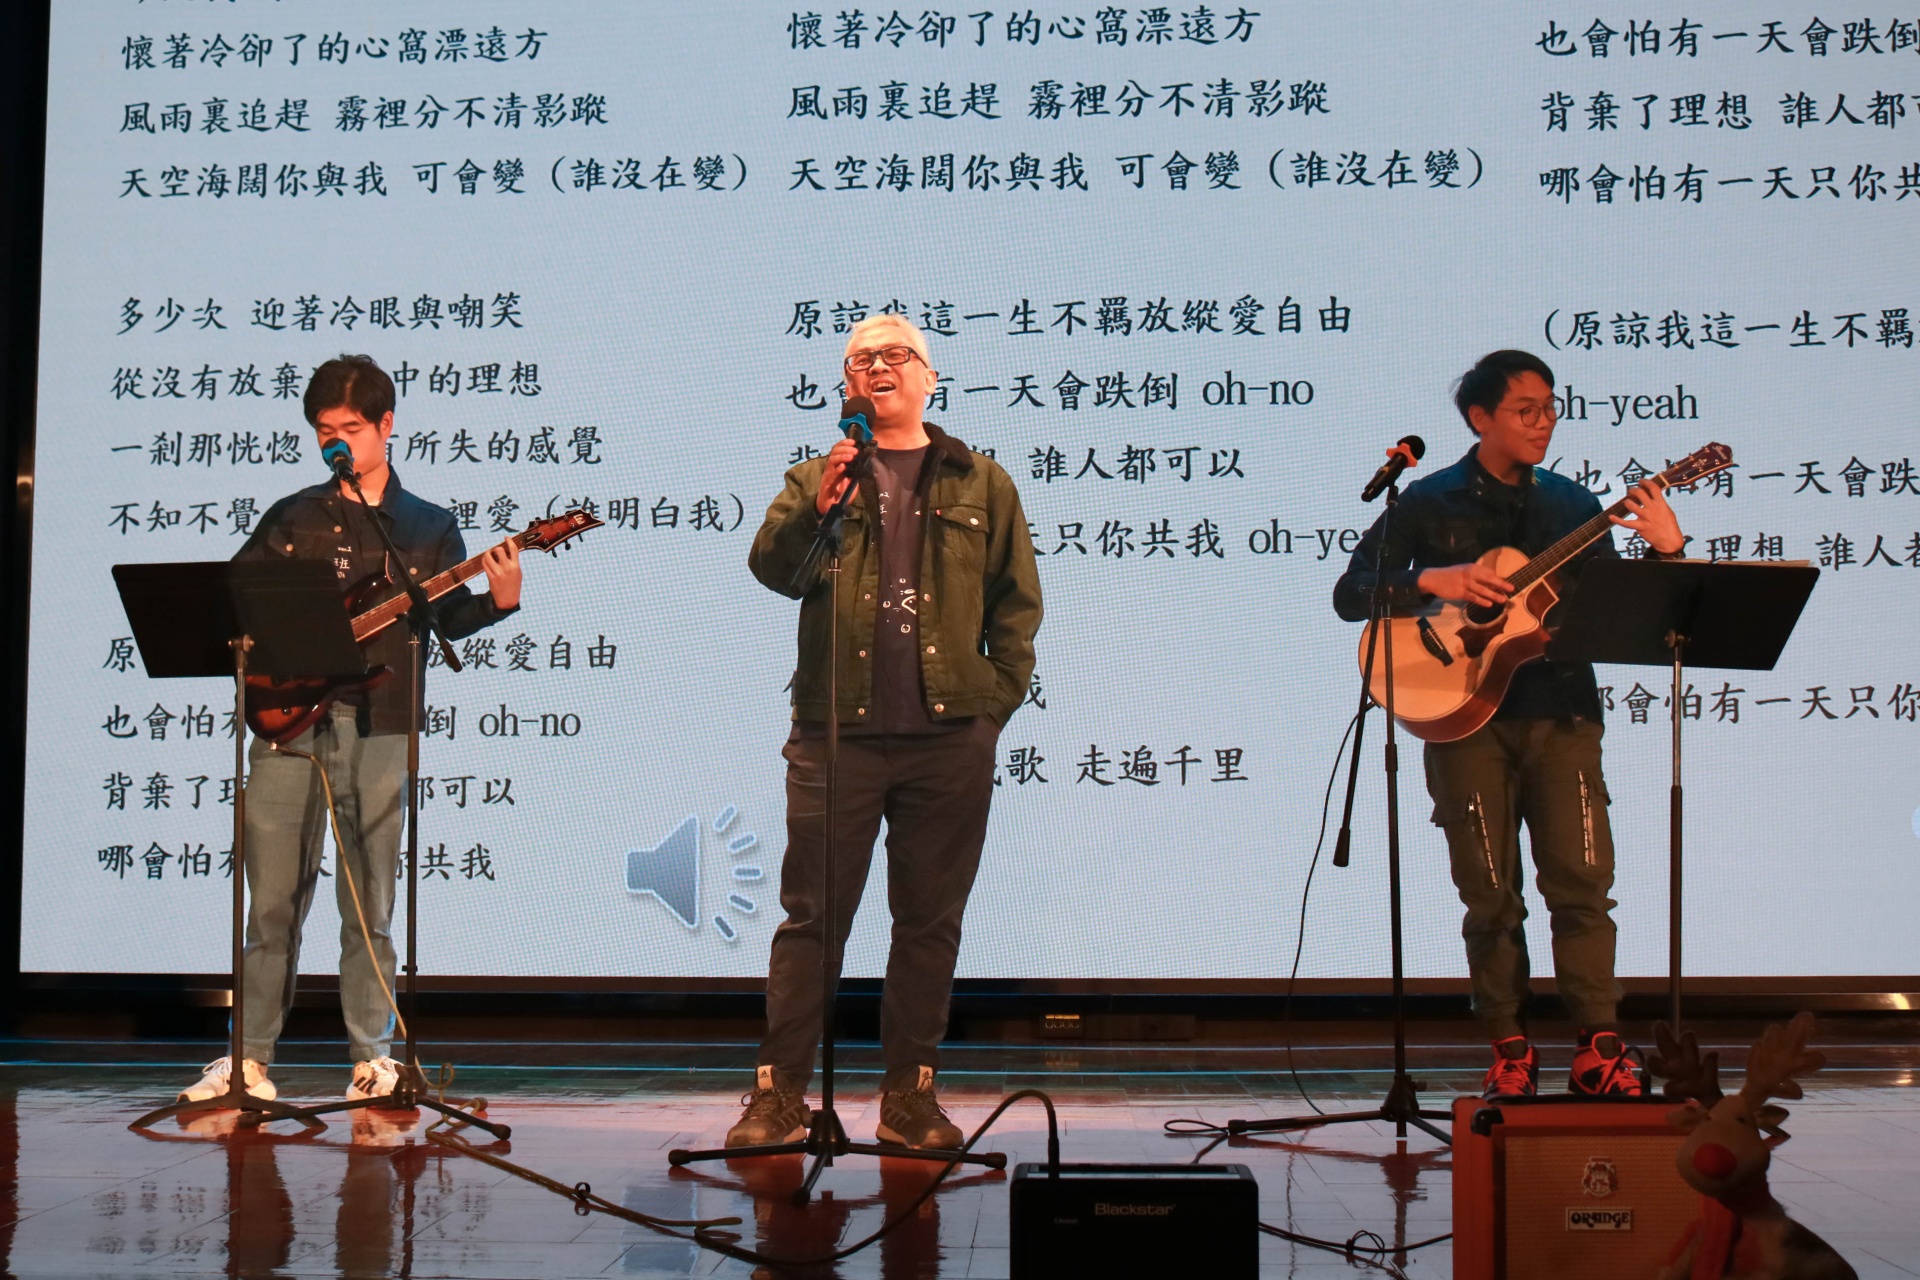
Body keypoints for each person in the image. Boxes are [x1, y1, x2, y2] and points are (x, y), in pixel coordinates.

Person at [1333, 350, 1687, 1099]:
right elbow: (1350, 592)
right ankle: (1510, 1049)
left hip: (1562, 711)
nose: (1544, 421)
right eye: (1527, 410)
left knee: (1582, 882)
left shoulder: (1575, 505)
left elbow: (1624, 616)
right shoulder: (1427, 502)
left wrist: (1668, 551)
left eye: (1551, 408)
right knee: (1490, 893)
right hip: (1462, 721)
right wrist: (1432, 580)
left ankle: (1600, 1047)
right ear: (1479, 417)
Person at [732, 313, 1043, 1149]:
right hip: (836, 733)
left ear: (928, 378)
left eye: (896, 355)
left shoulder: (982, 481)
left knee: (929, 922)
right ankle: (778, 1096)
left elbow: (1017, 605)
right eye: (860, 359)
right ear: (846, 386)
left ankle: (910, 1096)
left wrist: (991, 708)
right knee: (812, 921)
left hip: (949, 737)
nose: (878, 367)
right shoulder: (815, 478)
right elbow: (774, 571)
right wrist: (819, 508)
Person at [180, 354, 523, 1105]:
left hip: (380, 725)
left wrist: (498, 600)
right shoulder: (292, 517)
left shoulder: (427, 527)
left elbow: (446, 620)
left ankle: (373, 1059)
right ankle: (248, 1059)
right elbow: (235, 608)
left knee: (369, 902)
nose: (337, 443)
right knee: (272, 901)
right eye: (324, 431)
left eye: (352, 429)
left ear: (387, 425)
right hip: (287, 728)